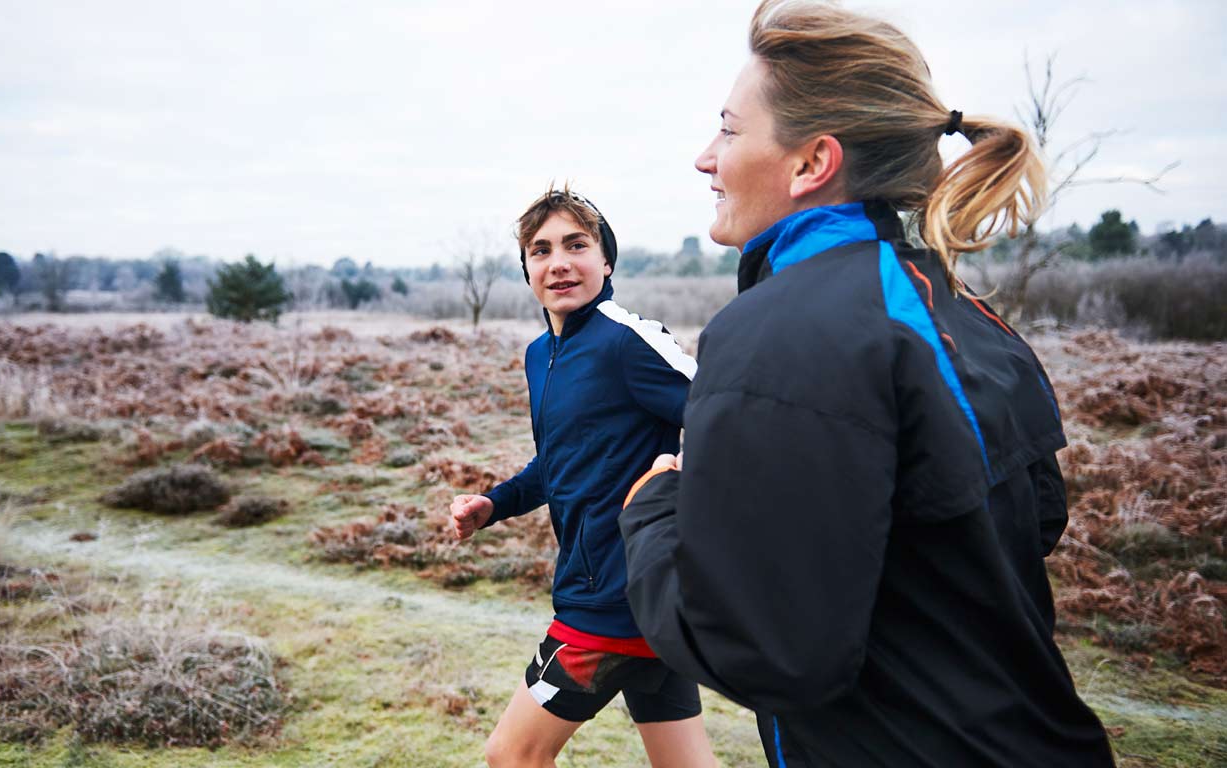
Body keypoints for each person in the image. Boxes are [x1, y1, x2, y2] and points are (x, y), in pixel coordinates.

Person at [618, 2, 1116, 766]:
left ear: (812, 163)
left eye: (727, 128)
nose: (704, 158)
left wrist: (653, 513)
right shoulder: (960, 307)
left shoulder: (776, 333)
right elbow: (1032, 523)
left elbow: (766, 653)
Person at [449, 184, 716, 768]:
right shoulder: (540, 356)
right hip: (636, 597)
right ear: (526, 270)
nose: (559, 262)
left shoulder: (628, 340)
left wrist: (683, 486)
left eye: (576, 244)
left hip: (609, 602)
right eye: (541, 250)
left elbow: (727, 415)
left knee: (512, 756)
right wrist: (495, 504)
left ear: (606, 260)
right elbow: (558, 460)